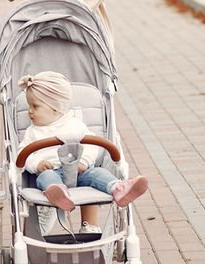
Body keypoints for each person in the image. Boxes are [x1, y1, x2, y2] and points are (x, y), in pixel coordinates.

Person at [19, 71, 148, 234]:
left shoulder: (74, 125)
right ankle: (58, 193)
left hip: (79, 171)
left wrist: (84, 162)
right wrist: (36, 164)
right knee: (46, 178)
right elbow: (23, 153)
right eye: (29, 106)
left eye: (35, 106)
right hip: (51, 171)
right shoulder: (32, 132)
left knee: (98, 173)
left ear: (55, 108)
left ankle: (118, 187)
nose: (29, 111)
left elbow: (91, 144)